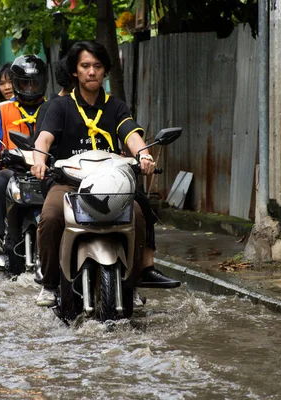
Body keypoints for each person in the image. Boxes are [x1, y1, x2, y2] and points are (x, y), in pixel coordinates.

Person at [30, 41, 180, 306]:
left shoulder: (116, 106)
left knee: (138, 213)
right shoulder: (60, 106)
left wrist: (143, 154)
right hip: (69, 183)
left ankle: (134, 281)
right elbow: (44, 139)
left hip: (111, 183)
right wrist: (39, 160)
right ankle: (50, 284)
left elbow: (131, 134)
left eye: (97, 66)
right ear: (75, 71)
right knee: (51, 217)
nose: (91, 72)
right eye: (85, 66)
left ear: (105, 71)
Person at [0, 55, 48, 265]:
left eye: (34, 82)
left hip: (46, 168)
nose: (30, 87)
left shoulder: (54, 107)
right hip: (14, 167)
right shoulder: (2, 109)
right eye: (24, 83)